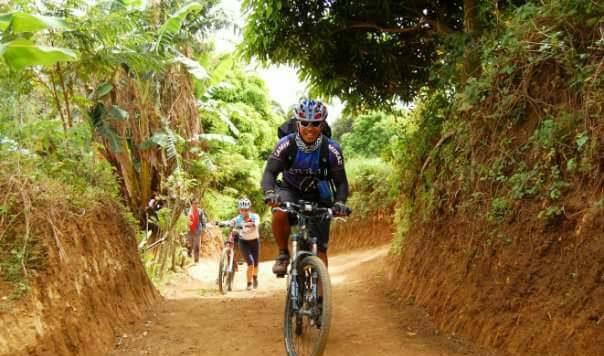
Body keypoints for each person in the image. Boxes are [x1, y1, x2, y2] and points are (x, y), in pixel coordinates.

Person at [261, 98, 350, 276]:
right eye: (305, 123)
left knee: (322, 251)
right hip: (290, 191)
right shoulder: (285, 144)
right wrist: (271, 193)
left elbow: (341, 182)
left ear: (322, 124)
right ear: (298, 123)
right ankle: (283, 254)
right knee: (279, 211)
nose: (310, 127)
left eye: (316, 123)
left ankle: (321, 297)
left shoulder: (332, 149)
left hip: (319, 196)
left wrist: (340, 202)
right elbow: (270, 173)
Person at [228, 198, 261, 290]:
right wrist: (229, 224)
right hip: (243, 242)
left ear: (249, 209)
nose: (244, 212)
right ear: (239, 210)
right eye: (242, 210)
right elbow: (232, 222)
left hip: (255, 241)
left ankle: (254, 277)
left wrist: (252, 224)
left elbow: (257, 223)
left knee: (256, 264)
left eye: (246, 210)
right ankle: (249, 283)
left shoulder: (255, 216)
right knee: (251, 263)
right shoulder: (238, 219)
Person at [186, 198, 206, 263]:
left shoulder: (200, 211)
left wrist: (204, 228)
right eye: (195, 203)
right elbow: (184, 219)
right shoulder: (187, 211)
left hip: (197, 231)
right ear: (192, 204)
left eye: (197, 203)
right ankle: (188, 257)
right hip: (189, 230)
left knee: (197, 246)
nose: (196, 205)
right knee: (189, 245)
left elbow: (203, 220)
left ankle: (196, 260)